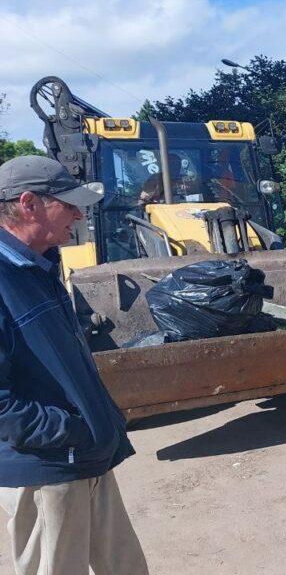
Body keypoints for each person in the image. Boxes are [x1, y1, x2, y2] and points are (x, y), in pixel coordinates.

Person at [0, 156, 148, 575]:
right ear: (29, 204)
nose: (79, 215)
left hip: (84, 456)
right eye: (68, 205)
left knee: (126, 567)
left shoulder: (37, 267)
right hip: (48, 467)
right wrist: (71, 431)